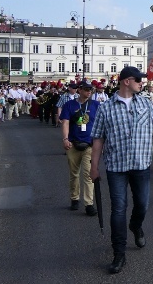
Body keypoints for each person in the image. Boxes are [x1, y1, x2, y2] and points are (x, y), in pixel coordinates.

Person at [90, 66, 153, 274]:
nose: (142, 83)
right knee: (118, 209)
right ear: (126, 81)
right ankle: (119, 253)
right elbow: (98, 139)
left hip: (141, 164)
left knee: (142, 204)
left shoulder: (145, 102)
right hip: (116, 166)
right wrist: (93, 167)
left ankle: (136, 225)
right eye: (138, 80)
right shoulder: (106, 108)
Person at [60, 80, 100, 216]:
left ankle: (89, 203)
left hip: (89, 145)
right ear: (79, 90)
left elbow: (101, 124)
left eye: (91, 89)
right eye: (86, 89)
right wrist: (65, 139)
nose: (89, 91)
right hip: (73, 144)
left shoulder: (96, 105)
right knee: (74, 174)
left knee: (88, 175)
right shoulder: (69, 105)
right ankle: (74, 198)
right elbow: (65, 122)